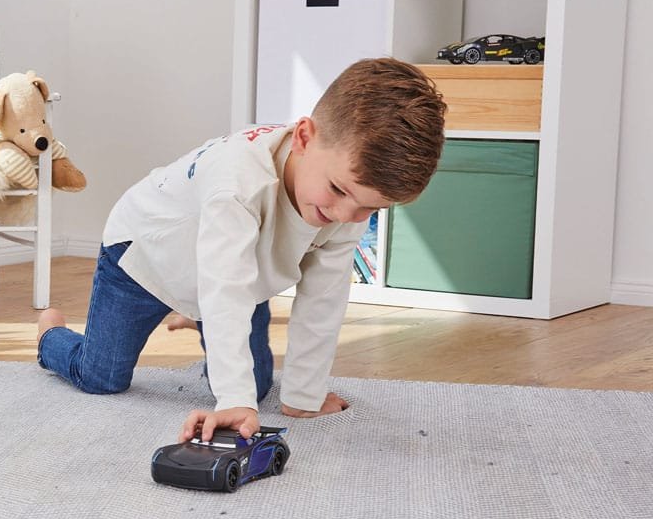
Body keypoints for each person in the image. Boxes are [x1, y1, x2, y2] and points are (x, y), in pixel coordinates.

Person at [36, 58, 446, 443]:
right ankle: (49, 333)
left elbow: (324, 298)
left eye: (372, 208)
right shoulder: (238, 183)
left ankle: (201, 315)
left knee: (258, 386)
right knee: (101, 377)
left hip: (230, 274)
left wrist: (304, 396)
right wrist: (234, 400)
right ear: (304, 138)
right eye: (338, 190)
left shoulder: (348, 204)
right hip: (144, 258)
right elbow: (225, 287)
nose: (346, 215)